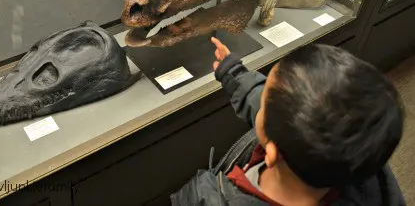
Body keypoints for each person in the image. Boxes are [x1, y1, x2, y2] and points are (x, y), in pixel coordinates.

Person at [171, 38, 405, 205]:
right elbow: (280, 109)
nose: (261, 105)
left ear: (271, 152)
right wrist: (234, 72)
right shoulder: (357, 157)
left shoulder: (208, 199)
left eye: (265, 103)